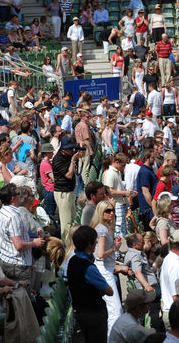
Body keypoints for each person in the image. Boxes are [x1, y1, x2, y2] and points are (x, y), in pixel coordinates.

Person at [91, 200, 131, 336]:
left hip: (107, 268)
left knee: (113, 309)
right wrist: (115, 248)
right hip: (104, 270)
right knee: (115, 309)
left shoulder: (104, 226)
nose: (112, 213)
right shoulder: (101, 229)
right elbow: (100, 254)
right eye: (108, 211)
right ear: (101, 212)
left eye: (112, 210)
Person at [67, 225, 113, 343]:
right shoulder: (88, 267)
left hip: (82, 313)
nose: (97, 241)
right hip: (94, 314)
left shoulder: (72, 260)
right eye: (95, 240)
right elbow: (109, 291)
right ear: (89, 244)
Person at [0, 183, 34, 283]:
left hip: (7, 261)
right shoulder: (12, 217)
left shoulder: (2, 211)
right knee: (21, 297)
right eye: (18, 194)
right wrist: (34, 243)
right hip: (17, 265)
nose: (20, 196)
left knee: (13, 295)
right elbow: (18, 245)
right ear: (13, 198)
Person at [53, 137, 83, 243]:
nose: (72, 151)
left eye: (72, 148)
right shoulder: (58, 159)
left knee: (73, 219)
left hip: (70, 192)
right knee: (66, 223)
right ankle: (66, 245)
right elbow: (69, 175)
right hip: (62, 193)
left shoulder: (67, 156)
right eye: (69, 149)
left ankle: (72, 242)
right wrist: (73, 161)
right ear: (63, 149)